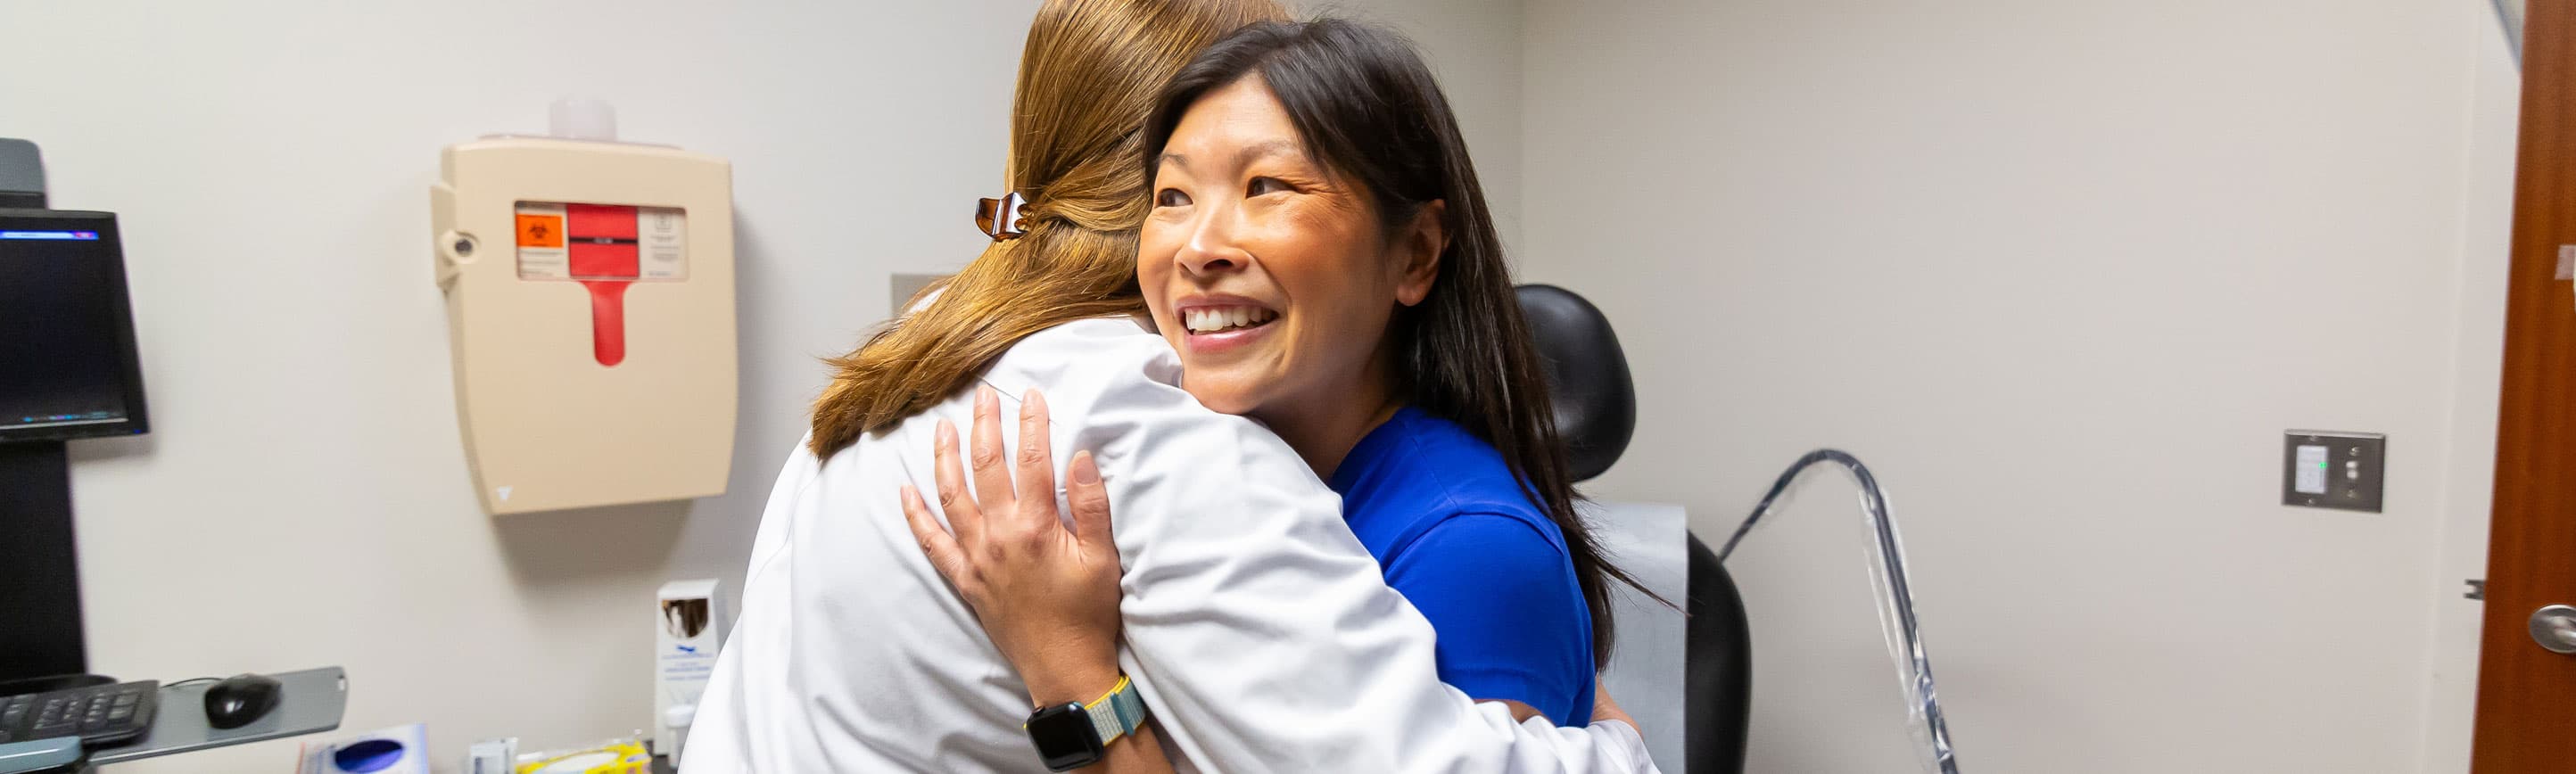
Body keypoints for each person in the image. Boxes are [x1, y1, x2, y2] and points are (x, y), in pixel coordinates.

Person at [684, 2, 1656, 772]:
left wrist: (1068, 669)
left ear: (1413, 252)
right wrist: (1622, 746)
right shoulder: (1152, 428)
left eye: (1268, 183)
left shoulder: (913, 350)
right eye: (1174, 194)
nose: (1202, 243)